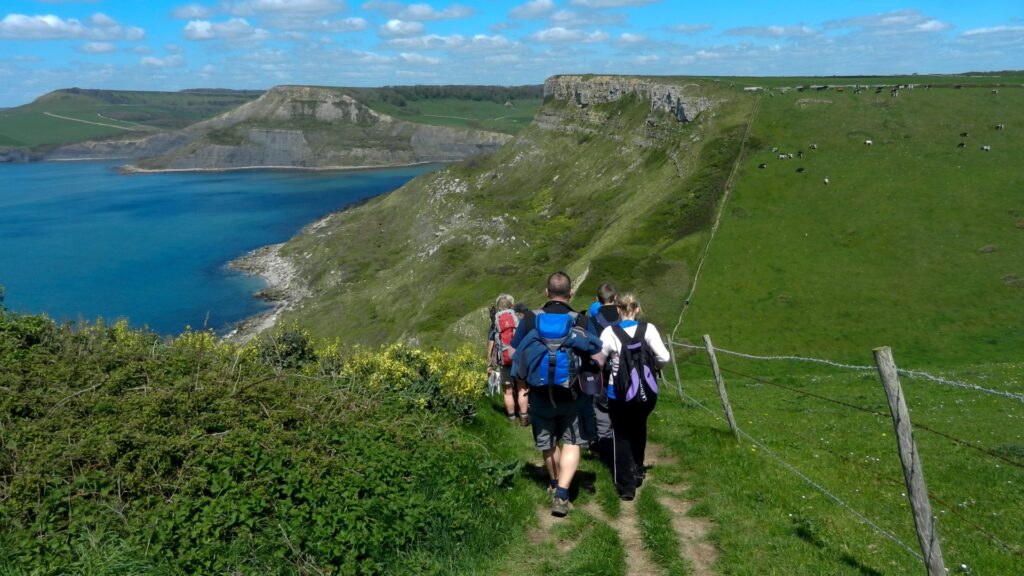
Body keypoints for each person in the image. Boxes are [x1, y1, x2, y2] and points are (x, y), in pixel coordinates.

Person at [511, 271, 603, 518]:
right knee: (573, 441)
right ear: (570, 293)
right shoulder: (581, 321)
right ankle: (563, 494)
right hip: (573, 395)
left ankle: (554, 484)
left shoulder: (531, 319)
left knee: (548, 443)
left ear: (546, 292)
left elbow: (515, 353)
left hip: (540, 394)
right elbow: (597, 356)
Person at [599, 292, 670, 501]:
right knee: (639, 427)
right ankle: (638, 470)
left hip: (618, 393)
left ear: (618, 310)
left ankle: (626, 486)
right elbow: (664, 356)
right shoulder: (648, 329)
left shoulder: (609, 332)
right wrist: (653, 368)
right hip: (644, 391)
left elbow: (599, 362)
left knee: (620, 435)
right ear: (637, 309)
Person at [583, 283, 620, 470]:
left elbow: (590, 348)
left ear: (597, 300)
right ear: (616, 298)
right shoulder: (625, 317)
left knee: (602, 412)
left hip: (602, 375)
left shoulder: (593, 320)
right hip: (625, 375)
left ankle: (607, 456)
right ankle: (623, 450)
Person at [486, 293, 528, 424]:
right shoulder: (518, 319)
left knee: (508, 391)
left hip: (503, 360)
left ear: (498, 306)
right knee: (522, 388)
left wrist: (489, 364)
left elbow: (491, 346)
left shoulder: (495, 323)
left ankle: (511, 418)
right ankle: (524, 416)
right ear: (511, 305)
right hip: (518, 358)